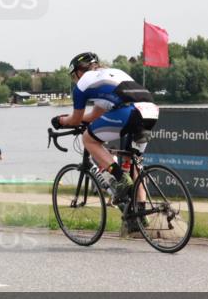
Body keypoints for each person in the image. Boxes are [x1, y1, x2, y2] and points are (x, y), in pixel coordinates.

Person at [51, 52, 159, 222]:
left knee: (88, 139)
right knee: (136, 164)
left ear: (79, 72)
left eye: (74, 77)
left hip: (129, 112)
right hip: (151, 110)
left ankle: (120, 177)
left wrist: (61, 120)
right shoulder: (111, 73)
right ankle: (139, 217)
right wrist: (73, 120)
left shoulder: (83, 84)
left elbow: (77, 119)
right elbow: (94, 115)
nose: (75, 81)